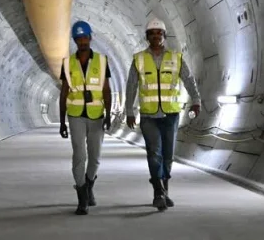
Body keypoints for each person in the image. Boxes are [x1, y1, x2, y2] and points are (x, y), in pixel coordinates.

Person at [125, 17, 201, 211]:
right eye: (152, 33)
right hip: (149, 116)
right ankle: (158, 191)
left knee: (168, 156)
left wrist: (196, 101)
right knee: (154, 153)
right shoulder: (139, 59)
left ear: (164, 36)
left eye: (159, 33)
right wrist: (129, 111)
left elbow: (189, 80)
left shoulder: (176, 58)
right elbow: (131, 86)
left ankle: (164, 189)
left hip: (171, 114)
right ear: (147, 37)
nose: (156, 36)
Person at [59, 20, 112, 215]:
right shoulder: (67, 63)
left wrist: (108, 114)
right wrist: (62, 121)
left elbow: (107, 90)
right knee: (79, 155)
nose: (82, 41)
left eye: (85, 37)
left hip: (96, 114)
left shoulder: (101, 61)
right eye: (79, 38)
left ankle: (89, 186)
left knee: (95, 157)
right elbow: (64, 92)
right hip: (75, 115)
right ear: (75, 41)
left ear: (90, 38)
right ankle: (82, 197)